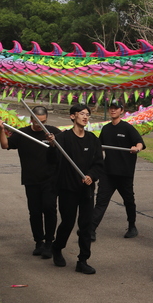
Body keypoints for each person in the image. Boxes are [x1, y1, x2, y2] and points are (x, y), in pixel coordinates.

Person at [0, 107, 60, 259]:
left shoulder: (53, 132)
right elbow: (5, 145)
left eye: (43, 122)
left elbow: (66, 149)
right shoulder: (23, 134)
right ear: (31, 119)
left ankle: (49, 242)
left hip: (51, 180)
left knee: (49, 209)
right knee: (35, 212)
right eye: (37, 122)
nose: (40, 125)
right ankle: (39, 242)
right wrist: (2, 129)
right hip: (31, 180)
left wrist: (54, 143)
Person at [46, 104, 104, 275]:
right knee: (68, 223)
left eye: (88, 114)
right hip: (67, 189)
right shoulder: (62, 139)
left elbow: (99, 163)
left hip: (86, 190)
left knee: (86, 226)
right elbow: (52, 161)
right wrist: (52, 146)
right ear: (73, 116)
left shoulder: (93, 139)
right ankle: (57, 247)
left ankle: (83, 260)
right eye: (82, 114)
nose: (85, 117)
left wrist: (91, 176)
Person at [91, 100, 145, 241]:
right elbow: (100, 146)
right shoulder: (106, 128)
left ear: (122, 110)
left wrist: (137, 148)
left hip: (124, 173)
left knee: (128, 201)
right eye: (111, 108)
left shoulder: (127, 128)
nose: (113, 110)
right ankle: (90, 230)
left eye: (116, 108)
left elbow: (139, 142)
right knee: (101, 201)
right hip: (108, 172)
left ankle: (132, 226)